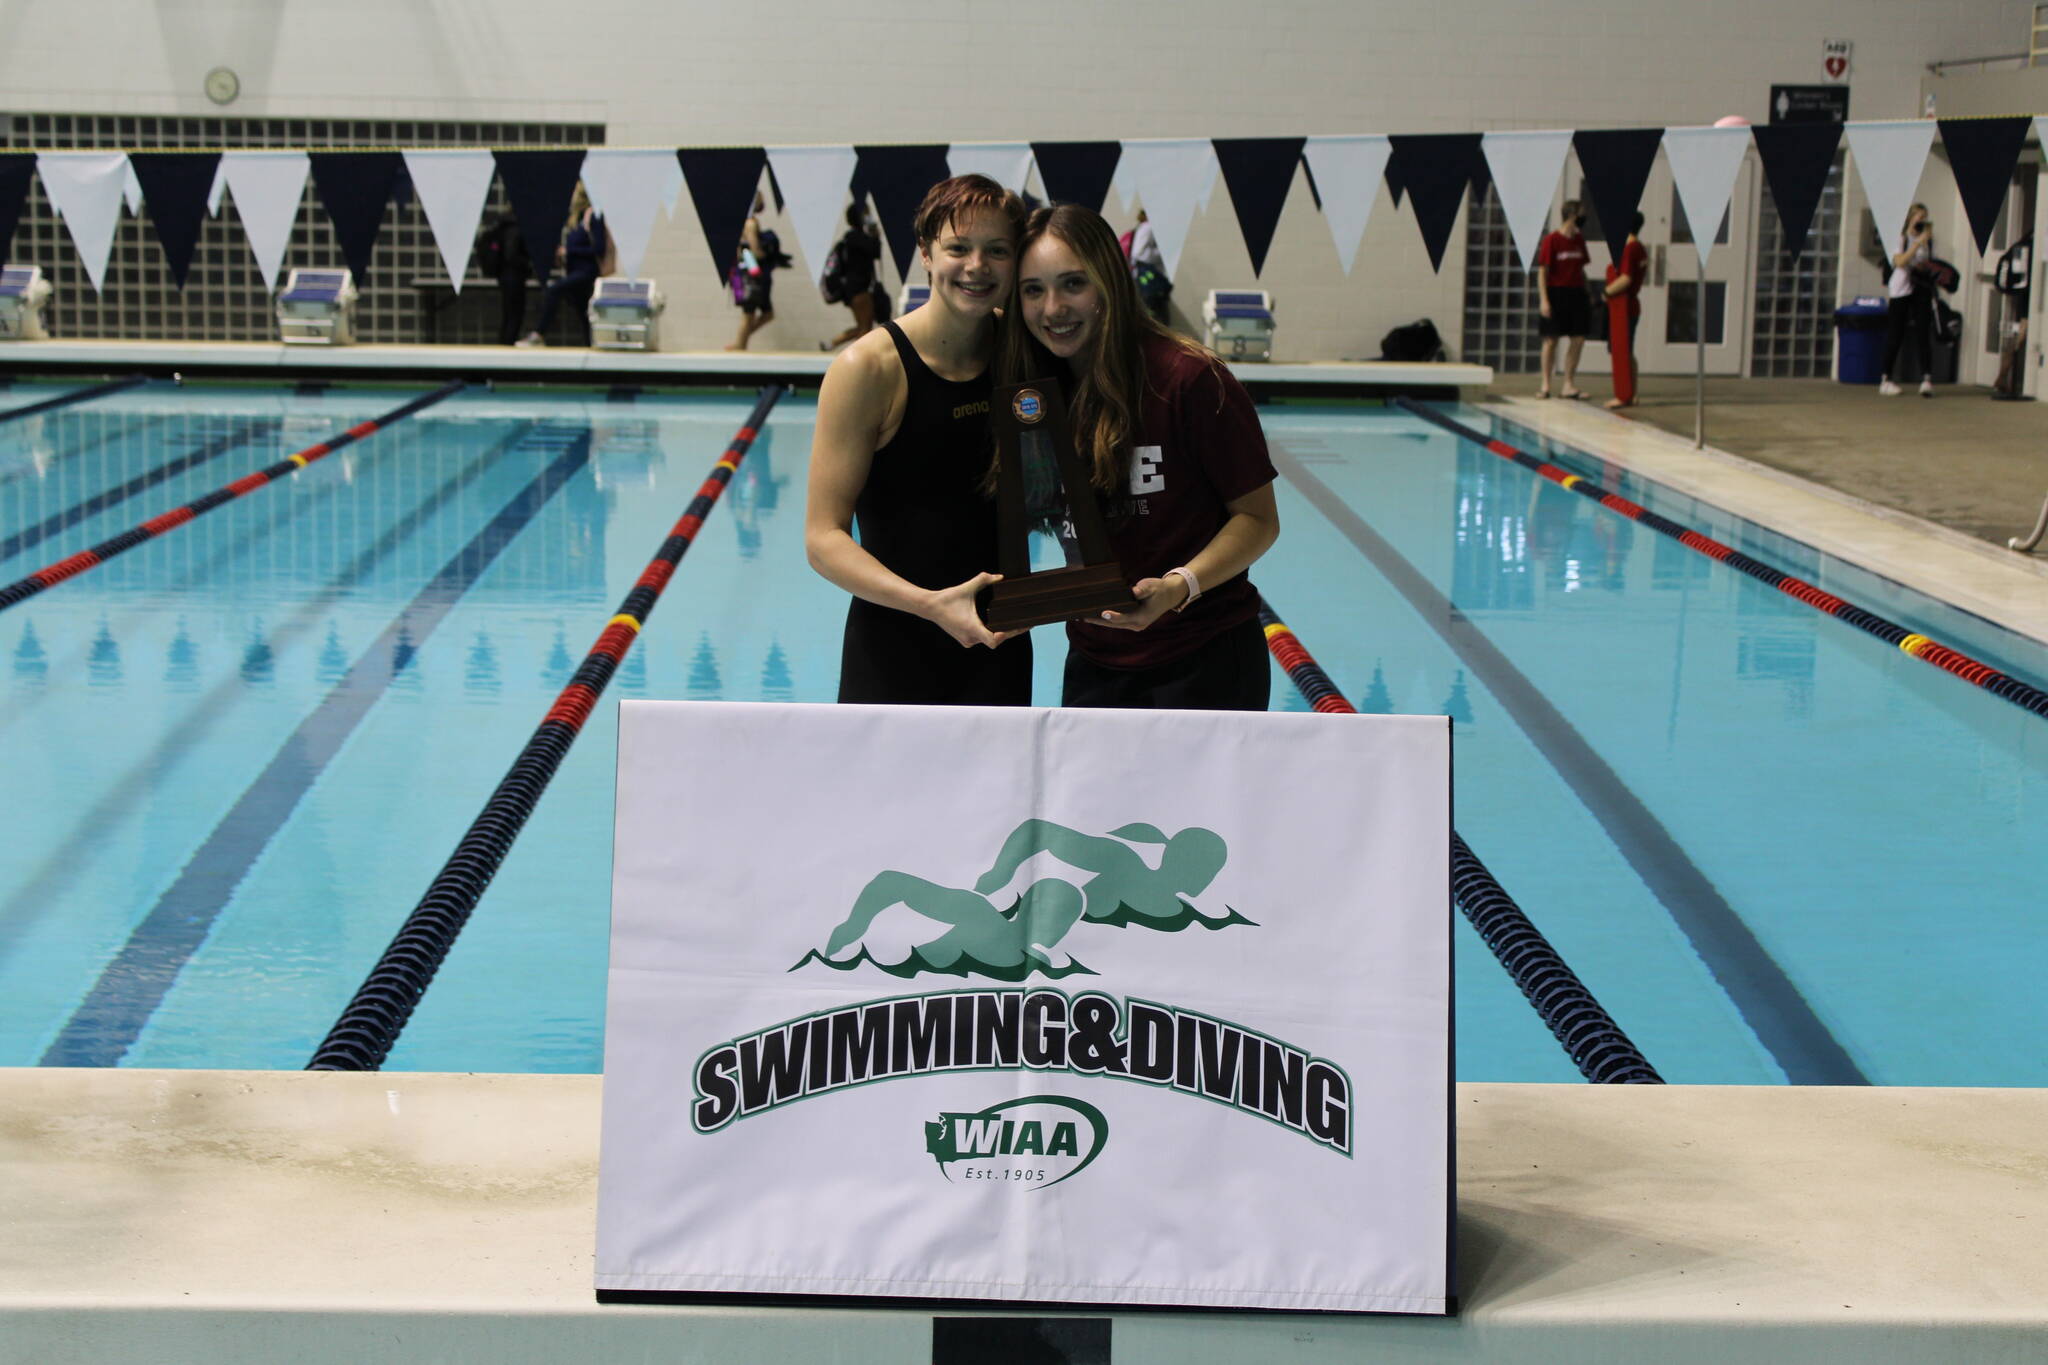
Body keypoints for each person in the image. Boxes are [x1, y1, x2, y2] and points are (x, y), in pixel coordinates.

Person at [999, 202, 1280, 711]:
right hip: (1094, 662)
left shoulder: (1190, 381)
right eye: (1033, 290)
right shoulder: (1035, 396)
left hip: (1205, 659)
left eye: (1073, 284)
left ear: (1109, 282)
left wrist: (1179, 586)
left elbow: (1258, 520)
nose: (1053, 308)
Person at [805, 174, 1031, 705]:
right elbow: (823, 539)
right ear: (927, 254)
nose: (977, 267)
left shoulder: (1021, 355)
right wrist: (930, 604)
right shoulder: (869, 368)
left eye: (997, 250)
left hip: (1000, 648)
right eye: (959, 248)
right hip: (892, 650)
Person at [514, 185, 611, 347]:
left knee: (554, 290)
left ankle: (539, 334)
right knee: (584, 312)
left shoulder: (594, 216)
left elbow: (599, 248)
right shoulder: (578, 218)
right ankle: (592, 344)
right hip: (574, 270)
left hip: (586, 272)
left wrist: (568, 251)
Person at [1535, 201, 1591, 399]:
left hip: (1576, 293)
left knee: (1578, 339)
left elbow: (1581, 270)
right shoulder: (1552, 240)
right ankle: (1545, 384)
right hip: (1556, 293)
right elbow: (1542, 272)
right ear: (1572, 215)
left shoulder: (1579, 240)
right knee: (1551, 341)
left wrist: (1588, 294)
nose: (1584, 218)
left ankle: (1568, 384)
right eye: (1581, 214)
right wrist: (1544, 300)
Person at [1880, 203, 1937, 397]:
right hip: (1901, 289)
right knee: (1896, 334)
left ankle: (1926, 378)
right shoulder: (1901, 238)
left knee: (1923, 332)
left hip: (1920, 288)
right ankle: (1886, 378)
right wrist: (1916, 243)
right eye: (1918, 217)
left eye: (1924, 218)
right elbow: (1900, 261)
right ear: (1910, 218)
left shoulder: (1927, 241)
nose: (1921, 221)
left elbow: (1925, 262)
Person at [1602, 211, 1650, 410]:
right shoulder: (1639, 248)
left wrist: (1606, 292)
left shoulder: (1630, 249)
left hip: (1624, 306)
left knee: (1621, 350)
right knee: (1627, 350)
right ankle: (1633, 393)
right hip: (1630, 305)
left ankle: (1623, 396)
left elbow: (1626, 278)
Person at [726, 191, 784, 351]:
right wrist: (768, 254)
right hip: (752, 273)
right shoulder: (750, 223)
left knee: (765, 313)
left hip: (749, 271)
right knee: (750, 312)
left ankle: (741, 341)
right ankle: (740, 343)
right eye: (759, 198)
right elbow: (755, 250)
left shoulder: (743, 222)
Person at [822, 202, 884, 350]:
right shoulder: (856, 238)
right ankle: (859, 357)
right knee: (865, 328)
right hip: (858, 288)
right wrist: (875, 234)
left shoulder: (851, 238)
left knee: (862, 326)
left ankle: (832, 343)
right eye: (867, 214)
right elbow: (875, 251)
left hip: (853, 288)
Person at [474, 210, 531, 346]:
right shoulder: (515, 229)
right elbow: (511, 254)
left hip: (504, 276)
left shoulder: (502, 226)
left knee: (508, 313)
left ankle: (505, 343)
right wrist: (527, 266)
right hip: (514, 276)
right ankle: (508, 344)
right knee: (514, 314)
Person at [1125, 209, 1171, 325]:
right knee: (1157, 313)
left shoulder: (1142, 227)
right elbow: (1139, 253)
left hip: (1144, 277)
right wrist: (1161, 251)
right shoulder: (1148, 227)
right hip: (1149, 278)